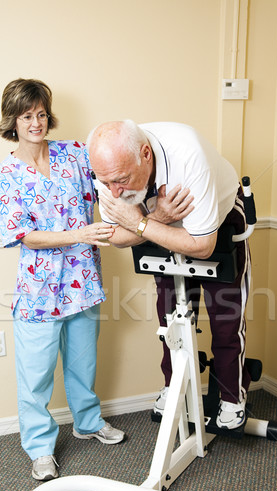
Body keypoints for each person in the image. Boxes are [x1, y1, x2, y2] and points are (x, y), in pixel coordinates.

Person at [0, 79, 125, 481]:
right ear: (12, 120)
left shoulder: (75, 154)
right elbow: (23, 235)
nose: (36, 122)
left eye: (41, 114)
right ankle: (40, 447)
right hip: (39, 292)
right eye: (27, 115)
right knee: (35, 377)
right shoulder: (4, 176)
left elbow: (108, 189)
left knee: (84, 364)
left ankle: (87, 422)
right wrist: (79, 234)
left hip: (83, 282)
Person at [87, 120, 251, 430]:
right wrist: (157, 218)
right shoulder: (108, 171)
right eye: (106, 183)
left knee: (225, 315)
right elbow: (116, 237)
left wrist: (141, 224)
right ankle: (174, 385)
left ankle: (232, 397)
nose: (115, 192)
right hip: (161, 223)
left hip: (220, 218)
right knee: (171, 318)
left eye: (121, 180)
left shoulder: (188, 155)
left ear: (145, 154)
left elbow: (202, 245)